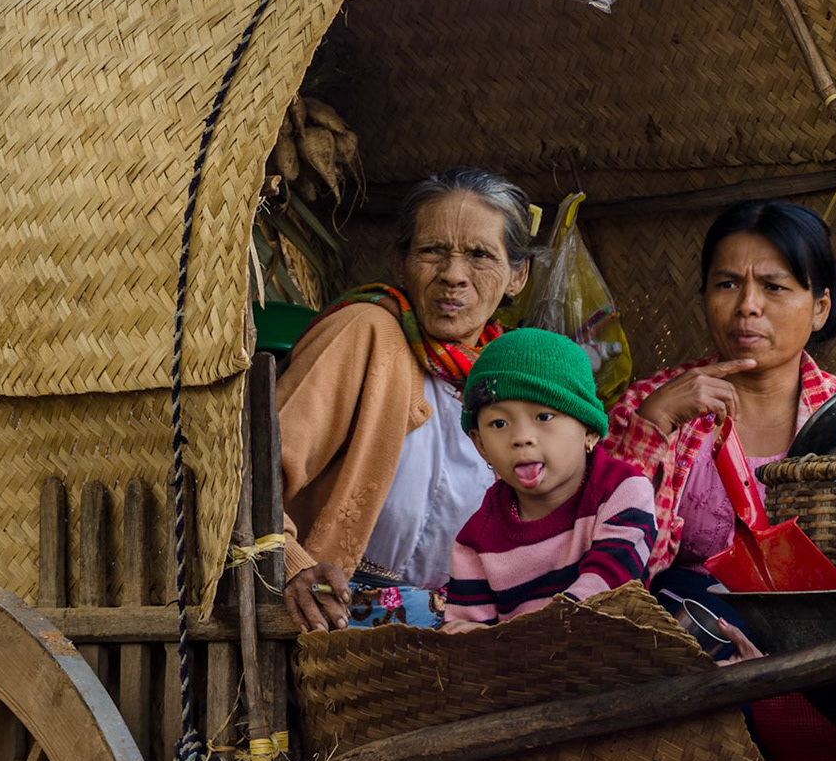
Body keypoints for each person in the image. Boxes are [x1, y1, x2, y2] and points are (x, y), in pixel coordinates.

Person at [277, 167, 533, 631]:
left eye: (479, 255)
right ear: (400, 263)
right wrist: (293, 564)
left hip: (463, 635)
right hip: (334, 628)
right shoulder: (365, 333)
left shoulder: (512, 379)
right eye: (432, 251)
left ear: (517, 275)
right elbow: (247, 475)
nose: (453, 276)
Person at [604, 199, 836, 612]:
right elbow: (597, 553)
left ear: (819, 309)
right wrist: (654, 425)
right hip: (679, 644)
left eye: (774, 286)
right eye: (728, 284)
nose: (747, 305)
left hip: (815, 641)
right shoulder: (649, 405)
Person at [442, 329, 655, 631]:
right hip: (523, 673)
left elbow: (608, 587)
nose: (521, 438)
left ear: (590, 431)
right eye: (499, 423)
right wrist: (467, 636)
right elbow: (465, 628)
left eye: (544, 417)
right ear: (480, 445)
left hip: (616, 663)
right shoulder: (476, 540)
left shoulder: (622, 491)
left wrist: (531, 636)